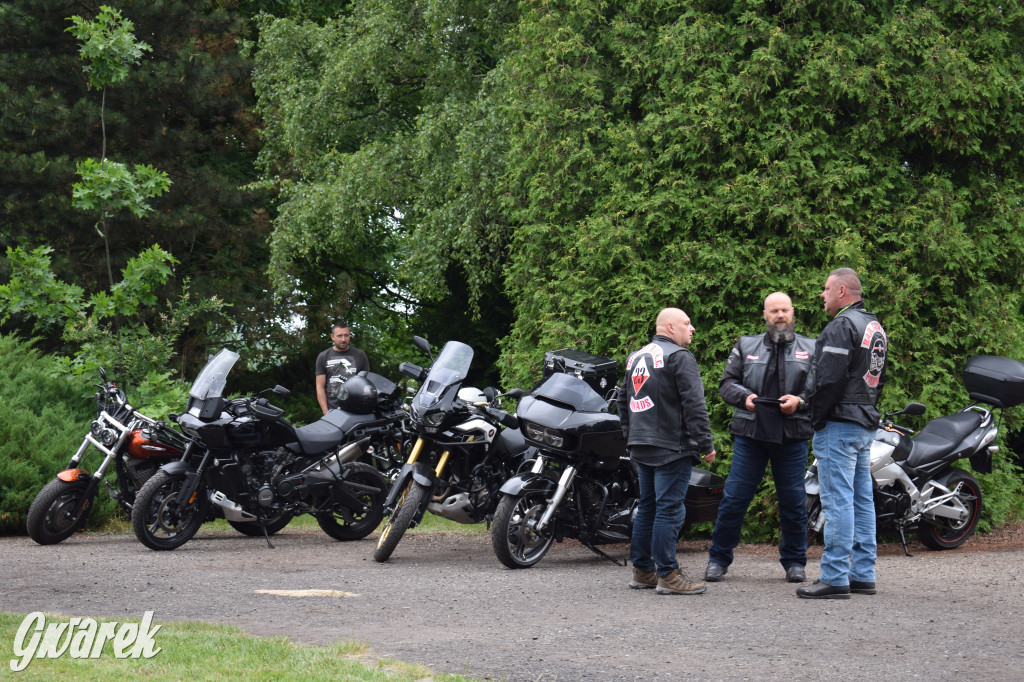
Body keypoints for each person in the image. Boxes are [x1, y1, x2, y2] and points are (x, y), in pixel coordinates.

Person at [705, 292, 815, 584]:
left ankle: (795, 562)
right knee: (734, 499)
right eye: (774, 311)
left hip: (792, 436)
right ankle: (718, 559)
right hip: (750, 435)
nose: (780, 315)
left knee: (793, 501)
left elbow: (821, 390)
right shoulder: (746, 345)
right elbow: (727, 383)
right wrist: (746, 398)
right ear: (765, 315)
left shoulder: (812, 348)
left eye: (784, 310)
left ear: (793, 313)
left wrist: (800, 402)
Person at [797, 268, 888, 599]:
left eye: (825, 288)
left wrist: (815, 418)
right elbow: (876, 378)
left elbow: (829, 381)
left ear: (842, 292)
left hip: (839, 423)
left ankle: (835, 577)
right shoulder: (875, 326)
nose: (821, 295)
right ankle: (863, 574)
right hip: (864, 422)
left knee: (837, 502)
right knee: (862, 501)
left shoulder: (841, 325)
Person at [617, 307, 716, 595]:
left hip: (641, 445)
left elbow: (623, 402)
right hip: (672, 446)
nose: (692, 328)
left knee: (647, 507)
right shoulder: (679, 357)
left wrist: (631, 436)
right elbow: (694, 405)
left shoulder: (635, 357)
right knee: (669, 509)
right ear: (670, 328)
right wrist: (706, 444)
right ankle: (668, 574)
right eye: (687, 323)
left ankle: (643, 571)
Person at [315, 322, 371, 414]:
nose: (343, 339)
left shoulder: (360, 355)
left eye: (346, 335)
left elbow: (366, 383)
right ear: (332, 337)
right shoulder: (323, 356)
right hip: (333, 410)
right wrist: (325, 411)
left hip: (356, 409)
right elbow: (320, 387)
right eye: (339, 336)